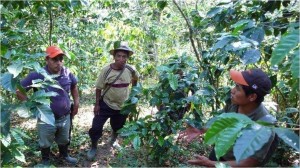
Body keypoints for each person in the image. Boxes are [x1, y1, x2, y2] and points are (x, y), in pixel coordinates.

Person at [179, 68, 277, 167]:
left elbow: (249, 163)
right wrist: (200, 130)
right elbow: (221, 121)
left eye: (238, 88)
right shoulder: (234, 103)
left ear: (252, 97)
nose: (232, 90)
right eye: (235, 85)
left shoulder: (264, 126)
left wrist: (212, 164)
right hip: (220, 153)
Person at [16, 46, 79, 165]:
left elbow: (74, 86)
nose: (58, 63)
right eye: (54, 59)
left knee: (64, 139)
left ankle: (64, 155)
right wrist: (31, 104)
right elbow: (19, 90)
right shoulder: (37, 75)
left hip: (65, 116)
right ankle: (45, 160)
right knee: (45, 141)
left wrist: (76, 102)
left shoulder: (67, 72)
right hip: (45, 118)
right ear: (47, 60)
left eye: (60, 59)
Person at [87, 44, 139, 160]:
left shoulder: (131, 69)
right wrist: (97, 104)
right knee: (96, 127)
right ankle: (94, 146)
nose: (121, 59)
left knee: (118, 126)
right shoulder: (106, 70)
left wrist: (133, 96)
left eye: (124, 56)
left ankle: (113, 140)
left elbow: (136, 79)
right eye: (118, 56)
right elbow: (99, 88)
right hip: (106, 104)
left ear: (127, 58)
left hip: (122, 106)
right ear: (114, 57)